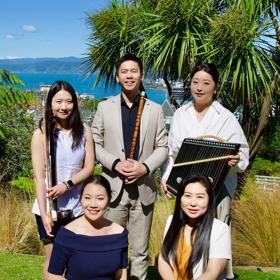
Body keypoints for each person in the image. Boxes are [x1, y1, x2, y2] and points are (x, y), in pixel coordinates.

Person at [161, 63, 249, 279]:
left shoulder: (226, 117)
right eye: (195, 82)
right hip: (187, 190)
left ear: (215, 87)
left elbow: (243, 156)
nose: (199, 87)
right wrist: (166, 178)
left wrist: (235, 160)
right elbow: (172, 154)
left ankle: (217, 275)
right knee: (184, 234)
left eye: (206, 83)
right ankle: (182, 271)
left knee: (216, 233)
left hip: (218, 190)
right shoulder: (181, 114)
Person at [92, 53, 168, 280]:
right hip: (113, 190)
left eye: (133, 71)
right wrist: (115, 163)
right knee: (111, 248)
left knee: (140, 251)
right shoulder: (104, 107)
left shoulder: (154, 110)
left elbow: (162, 147)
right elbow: (93, 143)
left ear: (141, 75)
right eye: (124, 71)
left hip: (144, 190)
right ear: (117, 77)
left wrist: (144, 167)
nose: (129, 75)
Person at [31, 80, 94, 279]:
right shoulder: (41, 134)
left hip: (77, 207)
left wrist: (67, 185)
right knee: (53, 262)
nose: (64, 107)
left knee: (76, 261)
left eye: (68, 101)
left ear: (75, 103)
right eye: (59, 101)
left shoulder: (84, 131)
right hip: (50, 209)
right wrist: (44, 214)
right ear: (50, 103)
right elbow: (39, 177)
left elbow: (89, 167)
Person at [48, 175, 128, 280]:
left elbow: (121, 274)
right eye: (87, 198)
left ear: (109, 200)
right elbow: (54, 275)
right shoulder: (66, 235)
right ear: (81, 199)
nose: (93, 204)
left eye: (100, 198)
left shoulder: (120, 234)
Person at [158, 174, 231, 280]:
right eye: (187, 196)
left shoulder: (220, 229)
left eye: (200, 197)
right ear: (180, 198)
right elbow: (163, 259)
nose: (193, 203)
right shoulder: (171, 221)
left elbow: (213, 272)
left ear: (209, 200)